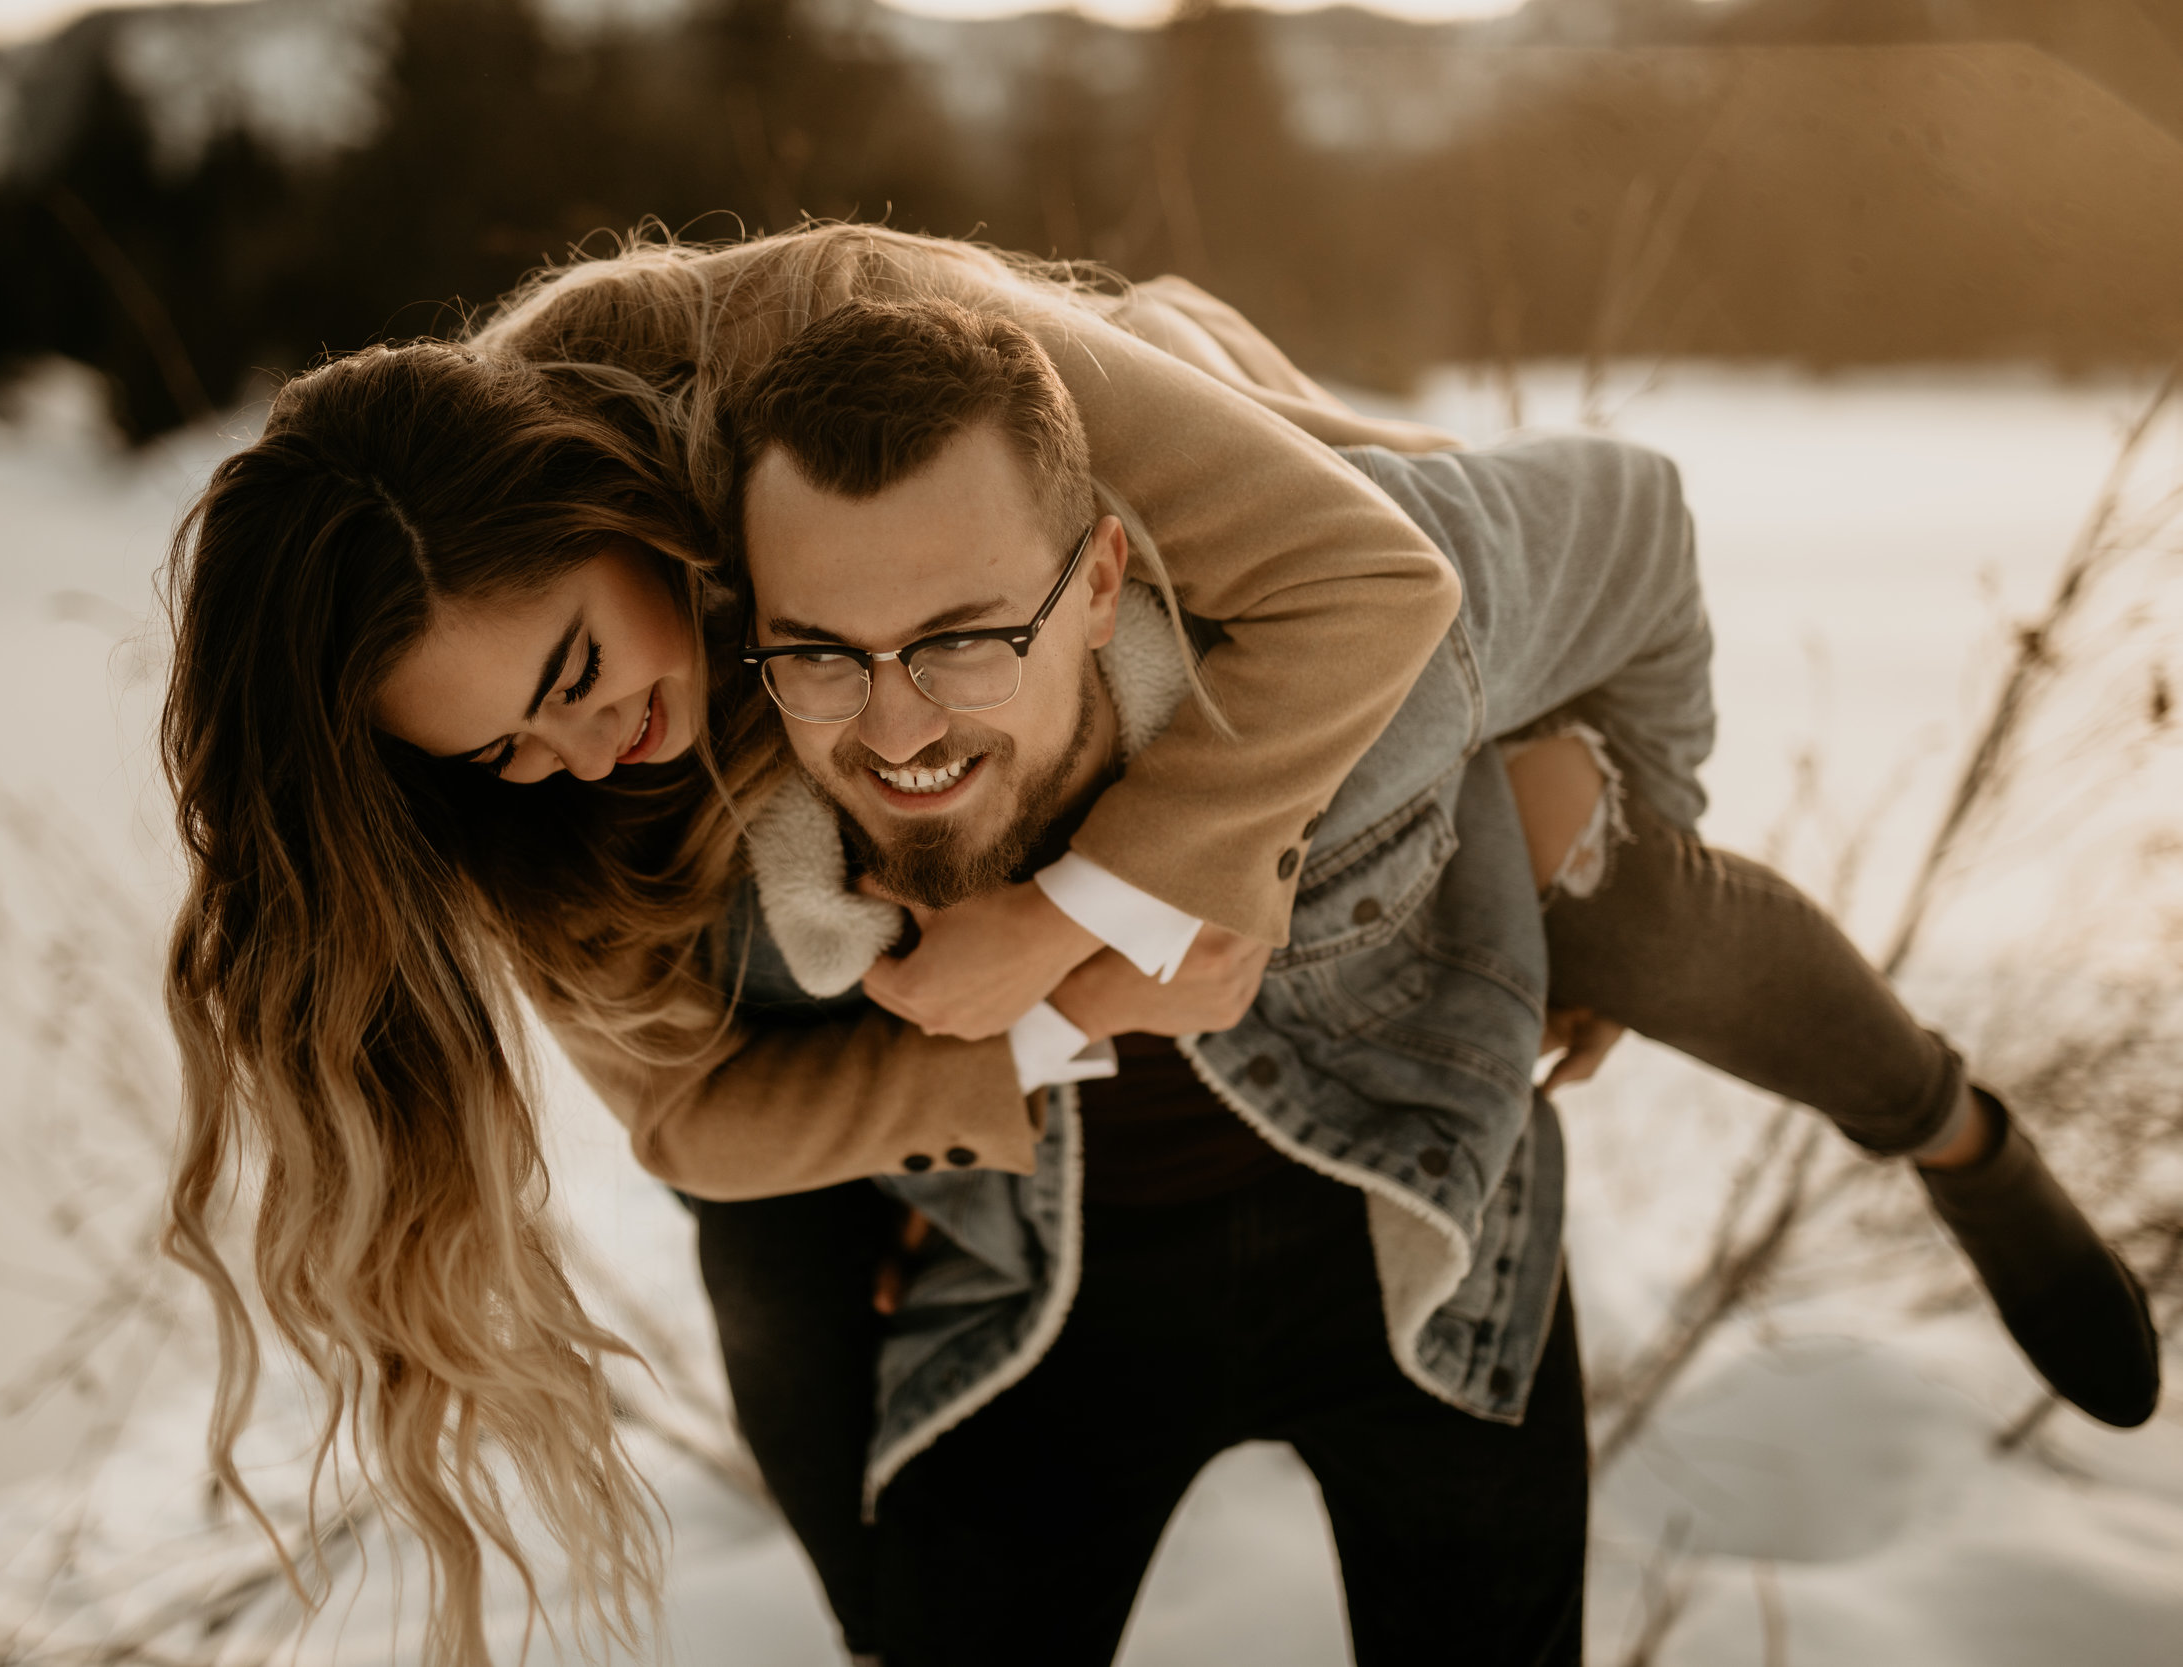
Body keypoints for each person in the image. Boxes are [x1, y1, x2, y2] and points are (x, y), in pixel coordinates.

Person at [155, 226, 2158, 1664]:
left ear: (621, 506)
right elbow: (687, 1124)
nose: (580, 747)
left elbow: (1400, 564)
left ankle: (1945, 1133)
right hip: (1041, 1250)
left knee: (1590, 874)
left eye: (578, 672)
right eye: (503, 747)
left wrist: (1096, 912)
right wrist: (1025, 1030)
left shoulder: (891, 368)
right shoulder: (583, 815)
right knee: (762, 1202)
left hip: (1290, 577)